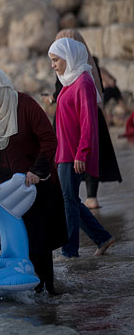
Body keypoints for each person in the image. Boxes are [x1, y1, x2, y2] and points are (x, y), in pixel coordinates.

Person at [0, 66, 68, 293]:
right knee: (12, 244)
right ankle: (23, 293)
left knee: (39, 243)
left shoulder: (24, 105)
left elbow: (48, 139)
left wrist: (36, 170)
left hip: (36, 186)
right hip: (5, 192)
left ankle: (47, 292)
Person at [49, 38, 116, 258]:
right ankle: (102, 238)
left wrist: (82, 152)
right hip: (64, 152)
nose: (53, 65)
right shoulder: (69, 81)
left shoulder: (84, 82)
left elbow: (89, 121)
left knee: (68, 200)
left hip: (74, 153)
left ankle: (70, 250)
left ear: (69, 57)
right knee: (69, 200)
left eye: (56, 60)